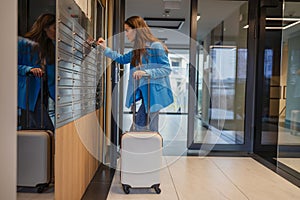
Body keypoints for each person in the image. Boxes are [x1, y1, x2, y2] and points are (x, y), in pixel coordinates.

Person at [97, 16, 174, 132]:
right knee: (142, 127)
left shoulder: (155, 46)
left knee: (146, 128)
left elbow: (166, 69)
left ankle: (146, 148)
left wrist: (145, 72)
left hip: (154, 95)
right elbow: (122, 59)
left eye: (127, 30)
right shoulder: (137, 50)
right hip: (145, 94)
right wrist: (105, 48)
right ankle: (143, 147)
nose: (126, 34)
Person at [18, 13, 56, 132]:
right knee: (47, 129)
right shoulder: (25, 45)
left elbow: (52, 77)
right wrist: (29, 69)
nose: (57, 32)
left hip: (43, 93)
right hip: (29, 95)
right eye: (54, 28)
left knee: (38, 131)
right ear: (45, 28)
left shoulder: (51, 47)